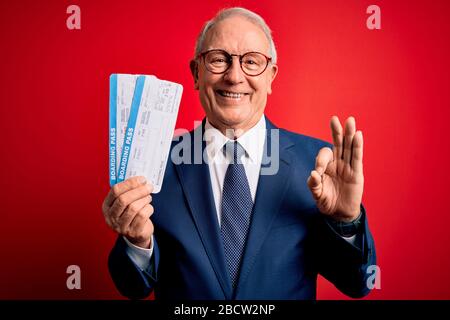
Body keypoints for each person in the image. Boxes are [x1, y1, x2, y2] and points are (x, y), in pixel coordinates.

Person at [102, 7, 376, 300]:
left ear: (271, 77)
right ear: (197, 73)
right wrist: (137, 242)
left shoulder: (319, 165)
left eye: (251, 62)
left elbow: (357, 284)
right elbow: (132, 288)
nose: (234, 76)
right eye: (219, 60)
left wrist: (346, 220)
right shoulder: (153, 165)